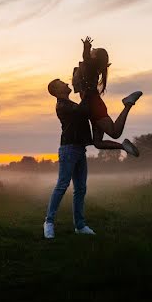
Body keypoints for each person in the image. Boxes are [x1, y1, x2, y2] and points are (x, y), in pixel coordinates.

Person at [73, 36, 142, 157]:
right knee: (98, 143)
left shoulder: (90, 67)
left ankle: (128, 104)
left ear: (95, 57)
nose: (92, 50)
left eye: (94, 50)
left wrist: (86, 47)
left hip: (94, 106)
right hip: (91, 107)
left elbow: (86, 58)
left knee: (115, 132)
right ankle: (123, 146)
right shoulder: (89, 68)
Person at [43, 78, 95, 239]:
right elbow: (83, 111)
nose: (67, 83)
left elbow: (84, 111)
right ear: (57, 91)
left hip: (79, 149)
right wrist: (87, 90)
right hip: (68, 150)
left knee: (80, 188)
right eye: (62, 83)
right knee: (62, 185)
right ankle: (49, 223)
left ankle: (80, 226)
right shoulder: (63, 106)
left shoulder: (70, 104)